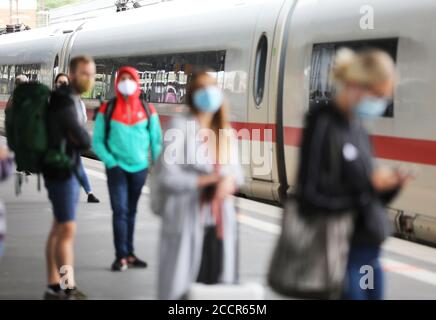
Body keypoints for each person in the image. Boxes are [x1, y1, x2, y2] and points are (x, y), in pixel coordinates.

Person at [296, 48, 411, 300]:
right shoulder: (322, 124)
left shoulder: (357, 128)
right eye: (378, 95)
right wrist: (369, 188)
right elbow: (310, 195)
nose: (380, 103)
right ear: (356, 86)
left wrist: (388, 186)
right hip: (341, 253)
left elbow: (367, 197)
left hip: (370, 254)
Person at [154, 70, 244, 300]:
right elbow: (166, 177)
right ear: (193, 95)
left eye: (212, 87)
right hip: (186, 217)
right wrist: (207, 180)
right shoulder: (179, 126)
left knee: (214, 285)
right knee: (183, 288)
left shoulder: (224, 130)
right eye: (202, 88)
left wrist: (228, 182)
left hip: (219, 222)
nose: (209, 93)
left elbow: (237, 173)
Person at [92, 66, 163, 272]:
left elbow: (156, 140)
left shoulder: (148, 109)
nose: (126, 82)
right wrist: (110, 161)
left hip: (139, 169)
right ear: (116, 83)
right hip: (117, 169)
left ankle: (129, 253)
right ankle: (120, 256)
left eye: (129, 78)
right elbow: (97, 141)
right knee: (120, 211)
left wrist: (156, 167)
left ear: (136, 81)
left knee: (131, 211)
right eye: (121, 79)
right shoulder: (108, 109)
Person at [43, 56, 94, 300]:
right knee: (66, 231)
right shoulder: (65, 101)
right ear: (73, 75)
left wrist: (79, 137)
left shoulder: (67, 99)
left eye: (93, 74)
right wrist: (81, 137)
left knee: (57, 229)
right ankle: (67, 287)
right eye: (86, 73)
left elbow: (79, 137)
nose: (91, 79)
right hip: (62, 173)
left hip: (63, 169)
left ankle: (53, 285)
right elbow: (83, 140)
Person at [54, 73, 100, 203]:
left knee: (77, 165)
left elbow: (82, 120)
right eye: (59, 82)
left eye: (64, 82)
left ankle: (89, 192)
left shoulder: (77, 102)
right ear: (55, 84)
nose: (62, 85)